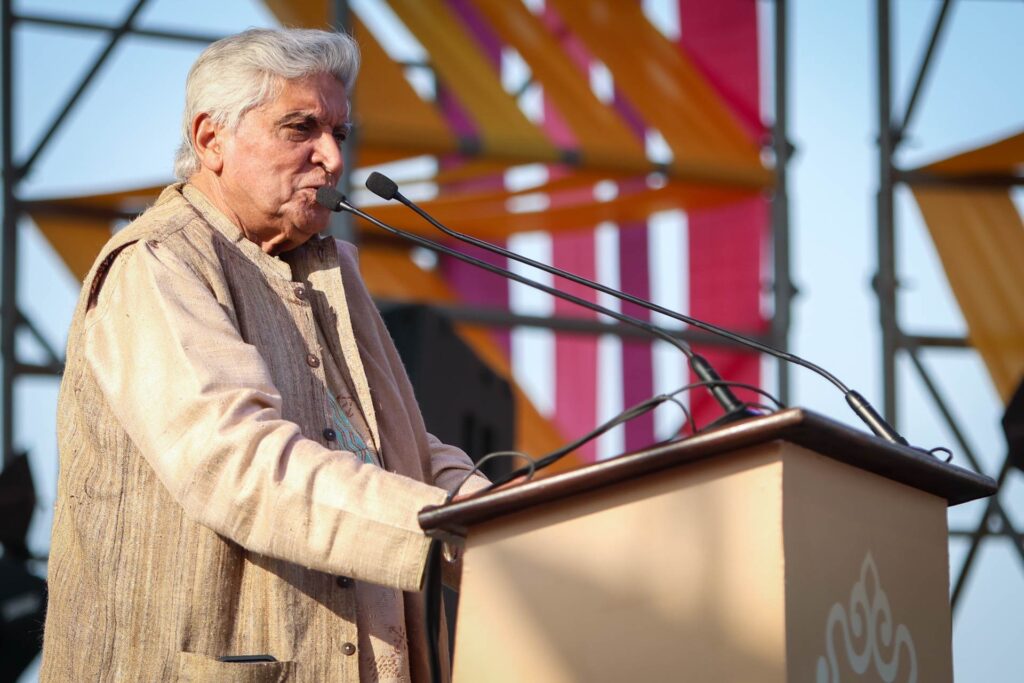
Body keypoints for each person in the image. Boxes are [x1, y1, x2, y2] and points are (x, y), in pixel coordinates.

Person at [40, 28, 486, 683]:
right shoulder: (158, 262)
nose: (332, 157)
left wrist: (507, 516)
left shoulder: (331, 273)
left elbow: (398, 451)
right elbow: (239, 463)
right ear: (210, 138)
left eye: (339, 131)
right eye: (300, 127)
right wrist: (446, 534)